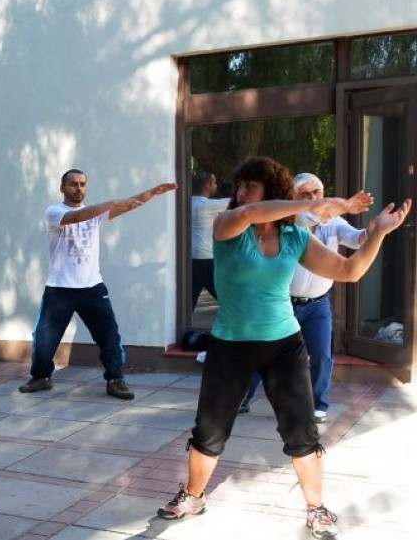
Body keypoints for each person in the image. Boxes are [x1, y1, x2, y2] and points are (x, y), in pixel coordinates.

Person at [155, 156, 409, 540]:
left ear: (272, 190)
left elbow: (349, 271)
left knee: (301, 433)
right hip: (229, 345)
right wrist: (317, 204)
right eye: (238, 187)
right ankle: (193, 495)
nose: (240, 194)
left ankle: (316, 509)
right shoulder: (228, 227)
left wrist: (377, 234)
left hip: (283, 345)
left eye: (249, 186)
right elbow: (254, 213)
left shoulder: (295, 238)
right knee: (209, 432)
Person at [20, 170, 177, 399]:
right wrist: (112, 202)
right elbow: (77, 217)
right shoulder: (54, 212)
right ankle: (41, 377)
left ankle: (115, 379)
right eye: (73, 184)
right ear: (62, 188)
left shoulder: (96, 213)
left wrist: (151, 193)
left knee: (109, 335)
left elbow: (128, 205)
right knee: (45, 338)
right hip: (60, 288)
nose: (79, 189)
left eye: (83, 184)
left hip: (92, 287)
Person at [239, 173, 366, 421]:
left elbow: (355, 239)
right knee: (262, 350)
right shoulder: (288, 221)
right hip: (283, 303)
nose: (311, 198)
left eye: (316, 193)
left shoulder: (334, 222)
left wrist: (372, 232)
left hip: (318, 304)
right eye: (304, 195)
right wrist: (337, 206)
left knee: (321, 354)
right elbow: (307, 217)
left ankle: (318, 404)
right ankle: (242, 397)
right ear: (294, 198)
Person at [190, 171, 228, 311]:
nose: (216, 185)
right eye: (214, 182)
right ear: (207, 185)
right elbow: (235, 202)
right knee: (228, 299)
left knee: (189, 304)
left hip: (191, 260)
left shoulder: (187, 203)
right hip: (206, 259)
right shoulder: (206, 206)